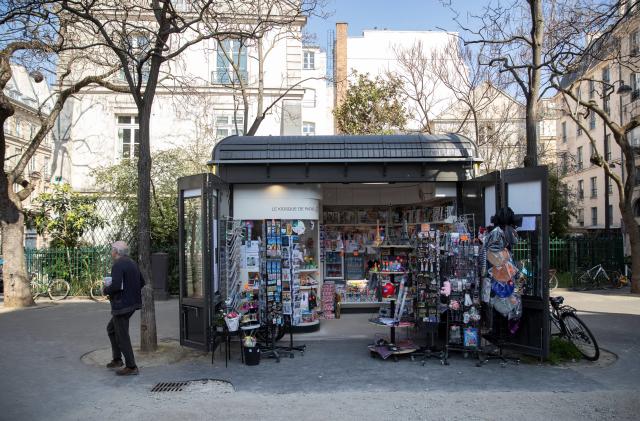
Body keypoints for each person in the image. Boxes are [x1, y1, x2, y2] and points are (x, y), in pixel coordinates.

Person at [104, 241, 145, 376]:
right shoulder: (132, 263)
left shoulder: (118, 264)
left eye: (112, 250)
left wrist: (105, 290)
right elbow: (142, 282)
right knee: (112, 329)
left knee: (122, 335)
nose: (111, 253)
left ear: (116, 251)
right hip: (132, 303)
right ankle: (117, 359)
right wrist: (130, 292)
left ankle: (131, 366)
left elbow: (115, 286)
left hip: (122, 305)